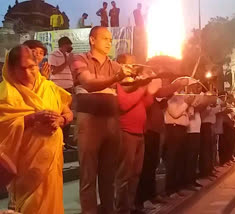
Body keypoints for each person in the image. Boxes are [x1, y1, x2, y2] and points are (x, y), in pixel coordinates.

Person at [0, 45, 73, 213]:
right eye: (22, 69)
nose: (28, 73)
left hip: (52, 162)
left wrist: (61, 120)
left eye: (31, 67)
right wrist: (32, 118)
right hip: (26, 166)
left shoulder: (49, 88)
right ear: (12, 69)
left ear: (38, 65)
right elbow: (3, 127)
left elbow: (68, 113)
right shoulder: (6, 93)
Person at [70, 26, 130, 214]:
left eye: (110, 39)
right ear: (92, 40)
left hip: (111, 122)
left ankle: (108, 211)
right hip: (89, 121)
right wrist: (117, 77)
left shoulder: (114, 65)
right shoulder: (80, 60)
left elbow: (130, 84)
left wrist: (148, 78)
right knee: (88, 175)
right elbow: (87, 83)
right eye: (105, 38)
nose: (109, 42)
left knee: (108, 176)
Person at [115, 54, 162, 214]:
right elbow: (124, 104)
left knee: (135, 174)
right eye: (132, 64)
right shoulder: (119, 82)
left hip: (140, 132)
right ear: (121, 66)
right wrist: (142, 88)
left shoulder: (134, 84)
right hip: (126, 132)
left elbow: (147, 103)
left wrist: (148, 86)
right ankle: (121, 209)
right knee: (124, 175)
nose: (135, 67)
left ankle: (131, 206)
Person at [136, 76, 189, 209]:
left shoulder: (155, 97)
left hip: (156, 131)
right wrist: (177, 84)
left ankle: (152, 194)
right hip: (148, 131)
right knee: (146, 167)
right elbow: (162, 92)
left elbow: (163, 97)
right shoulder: (147, 91)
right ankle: (142, 199)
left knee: (153, 165)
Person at [164, 86, 195, 197]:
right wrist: (185, 106)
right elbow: (175, 114)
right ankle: (169, 189)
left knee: (180, 159)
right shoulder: (171, 98)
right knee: (172, 159)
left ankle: (177, 186)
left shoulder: (183, 98)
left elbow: (188, 114)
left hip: (182, 130)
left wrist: (188, 108)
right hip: (173, 129)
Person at [49, 36, 74, 149]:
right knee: (58, 114)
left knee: (68, 115)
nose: (71, 47)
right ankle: (58, 141)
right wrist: (66, 62)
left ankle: (66, 141)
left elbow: (71, 71)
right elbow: (53, 71)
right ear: (64, 45)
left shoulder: (69, 56)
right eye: (69, 45)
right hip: (58, 88)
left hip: (69, 88)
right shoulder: (54, 55)